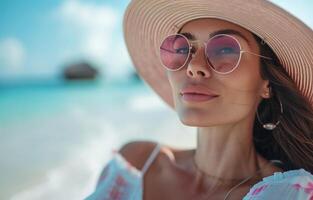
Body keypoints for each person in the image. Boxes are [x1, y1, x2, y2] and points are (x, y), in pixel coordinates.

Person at [86, 0, 313, 199]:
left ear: (267, 84)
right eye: (182, 48)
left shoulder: (290, 194)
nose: (194, 66)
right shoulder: (134, 165)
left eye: (225, 49)